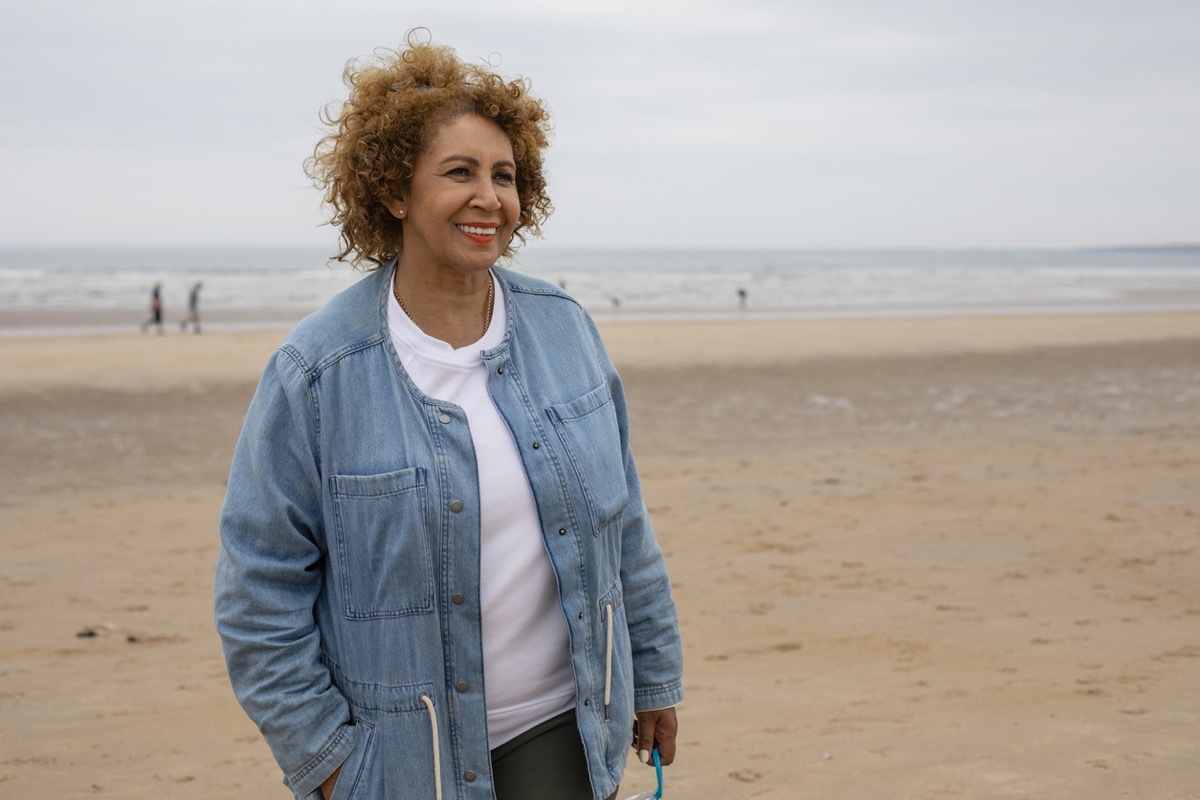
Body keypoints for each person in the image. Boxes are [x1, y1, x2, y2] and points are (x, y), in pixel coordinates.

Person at [214, 31, 683, 800]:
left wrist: (655, 673)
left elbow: (623, 522)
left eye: (504, 175)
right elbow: (258, 586)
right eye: (459, 172)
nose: (488, 198)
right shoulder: (317, 371)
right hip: (401, 762)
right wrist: (327, 761)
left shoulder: (565, 329)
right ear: (396, 192)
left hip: (558, 732)